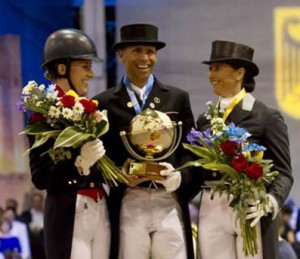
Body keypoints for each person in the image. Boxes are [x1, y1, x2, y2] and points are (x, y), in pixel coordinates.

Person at [93, 23, 196, 259]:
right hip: (130, 200)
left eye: (150, 51)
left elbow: (191, 151)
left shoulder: (177, 98)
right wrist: (116, 174)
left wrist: (180, 176)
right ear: (121, 55)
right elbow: (100, 158)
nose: (145, 58)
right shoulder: (104, 103)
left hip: (168, 199)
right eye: (137, 50)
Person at [195, 40, 293, 259]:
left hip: (251, 207)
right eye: (210, 68)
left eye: (218, 68)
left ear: (239, 73)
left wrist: (271, 201)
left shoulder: (266, 116)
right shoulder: (204, 120)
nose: (212, 74)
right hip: (211, 206)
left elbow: (284, 173)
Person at [27, 28, 110, 259]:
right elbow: (41, 177)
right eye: (85, 66)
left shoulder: (89, 109)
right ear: (62, 68)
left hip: (100, 205)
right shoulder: (41, 117)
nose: (91, 74)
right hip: (70, 210)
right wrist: (80, 164)